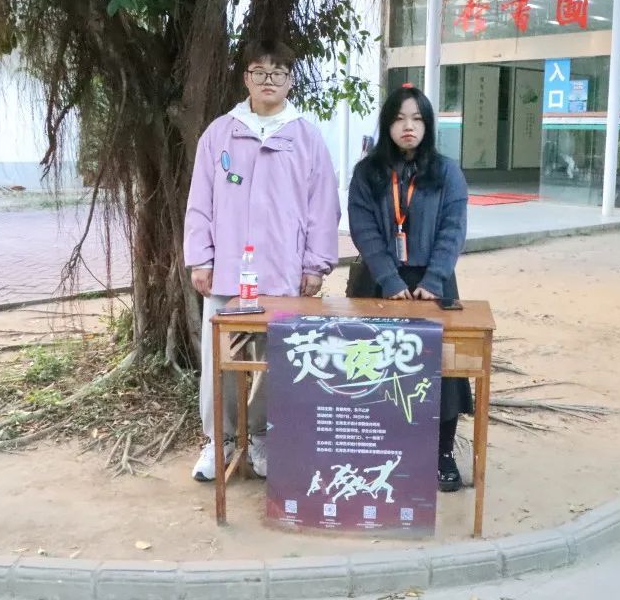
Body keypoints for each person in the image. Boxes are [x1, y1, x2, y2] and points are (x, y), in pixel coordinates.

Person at [183, 39, 340, 482]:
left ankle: (262, 436)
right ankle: (220, 439)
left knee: (279, 361)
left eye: (278, 73)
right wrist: (201, 258)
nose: (268, 80)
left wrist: (315, 264)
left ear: (290, 81)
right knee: (220, 362)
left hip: (283, 274)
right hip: (228, 273)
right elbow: (200, 201)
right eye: (259, 72)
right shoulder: (220, 133)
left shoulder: (306, 136)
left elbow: (322, 205)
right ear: (246, 78)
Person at [346, 85, 471, 493]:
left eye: (417, 119)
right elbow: (363, 227)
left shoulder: (447, 172)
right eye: (399, 119)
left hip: (434, 287)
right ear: (387, 124)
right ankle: (379, 449)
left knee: (443, 371)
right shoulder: (368, 172)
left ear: (428, 125)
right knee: (375, 369)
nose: (408, 127)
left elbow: (453, 228)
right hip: (379, 284)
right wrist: (390, 279)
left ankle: (442, 453)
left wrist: (433, 280)